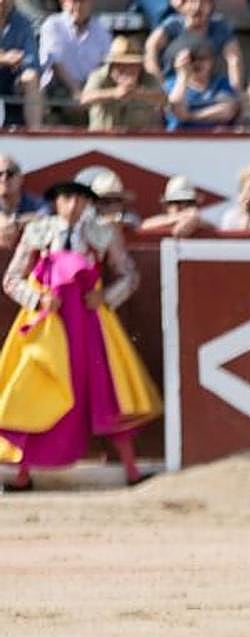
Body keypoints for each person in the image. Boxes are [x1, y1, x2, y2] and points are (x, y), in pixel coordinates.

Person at [0, 179, 160, 492]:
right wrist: (37, 299)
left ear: (88, 204)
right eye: (67, 199)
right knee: (36, 387)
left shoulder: (103, 233)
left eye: (80, 200)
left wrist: (106, 297)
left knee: (106, 391)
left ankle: (131, 470)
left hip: (89, 323)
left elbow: (129, 275)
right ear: (56, 203)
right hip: (48, 324)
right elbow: (11, 279)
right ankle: (22, 475)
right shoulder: (38, 231)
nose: (73, 205)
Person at [37, 0, 112, 123]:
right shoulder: (52, 24)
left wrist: (89, 92)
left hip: (92, 87)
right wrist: (76, 91)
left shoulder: (102, 30)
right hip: (59, 88)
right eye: (74, 1)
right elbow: (55, 62)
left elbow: (104, 64)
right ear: (63, 3)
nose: (78, 6)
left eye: (83, 2)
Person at [145, 0, 243, 91]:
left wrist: (235, 91)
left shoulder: (219, 27)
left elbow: (234, 59)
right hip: (173, 85)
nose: (197, 7)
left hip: (208, 88)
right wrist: (160, 85)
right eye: (192, 1)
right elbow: (151, 48)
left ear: (211, 5)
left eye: (203, 2)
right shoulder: (173, 24)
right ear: (183, 5)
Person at [81, 36, 167, 131]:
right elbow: (85, 98)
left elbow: (163, 99)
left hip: (137, 139)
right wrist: (113, 93)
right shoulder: (98, 76)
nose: (127, 70)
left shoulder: (148, 78)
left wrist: (138, 93)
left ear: (139, 66)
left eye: (132, 65)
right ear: (112, 65)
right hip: (103, 137)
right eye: (120, 65)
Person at [164, 41, 239, 130]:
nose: (197, 63)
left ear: (211, 61)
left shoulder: (221, 83)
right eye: (193, 59)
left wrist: (190, 116)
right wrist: (182, 76)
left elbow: (228, 110)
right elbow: (176, 108)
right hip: (179, 138)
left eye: (202, 58)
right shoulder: (171, 84)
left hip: (213, 138)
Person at [0, 0, 43, 128]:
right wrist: (3, 59)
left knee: (31, 77)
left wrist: (15, 62)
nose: (2, 2)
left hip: (13, 79)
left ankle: (35, 136)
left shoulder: (24, 23)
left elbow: (31, 61)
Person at [139, 175, 216, 237]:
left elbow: (180, 231)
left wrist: (193, 220)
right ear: (167, 205)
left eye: (189, 202)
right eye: (176, 202)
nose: (183, 206)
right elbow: (144, 226)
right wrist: (182, 217)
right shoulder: (155, 223)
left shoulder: (203, 224)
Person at [0, 155, 46, 249]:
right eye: (0, 174)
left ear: (20, 178)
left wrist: (16, 223)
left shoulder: (34, 202)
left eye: (10, 173)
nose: (4, 179)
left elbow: (46, 214)